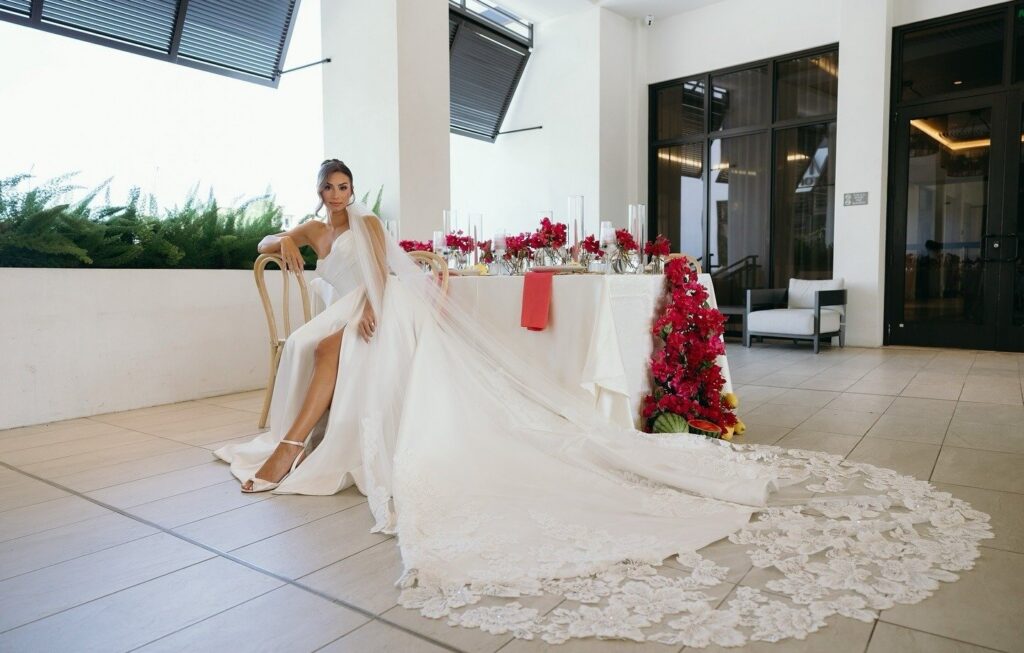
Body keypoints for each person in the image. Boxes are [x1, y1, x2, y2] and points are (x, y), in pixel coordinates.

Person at [216, 159, 991, 647]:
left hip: (373, 310)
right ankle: (292, 445)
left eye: (345, 185)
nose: (338, 196)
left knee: (336, 344)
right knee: (320, 344)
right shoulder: (318, 226)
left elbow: (382, 275)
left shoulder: (373, 223)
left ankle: (292, 450)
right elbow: (277, 245)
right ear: (318, 191)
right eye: (329, 187)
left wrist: (373, 307)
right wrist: (285, 242)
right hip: (337, 312)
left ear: (357, 189)